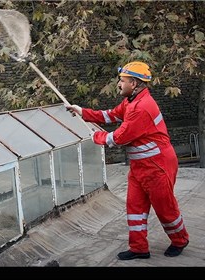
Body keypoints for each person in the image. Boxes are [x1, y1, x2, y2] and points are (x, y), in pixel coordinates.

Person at [66, 61, 189, 261]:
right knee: (135, 207)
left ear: (134, 83)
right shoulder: (132, 101)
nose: (118, 84)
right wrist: (83, 112)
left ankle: (180, 240)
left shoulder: (142, 107)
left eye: (122, 81)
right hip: (141, 167)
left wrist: (96, 137)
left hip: (158, 167)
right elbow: (110, 115)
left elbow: (118, 138)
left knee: (165, 209)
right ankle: (139, 248)